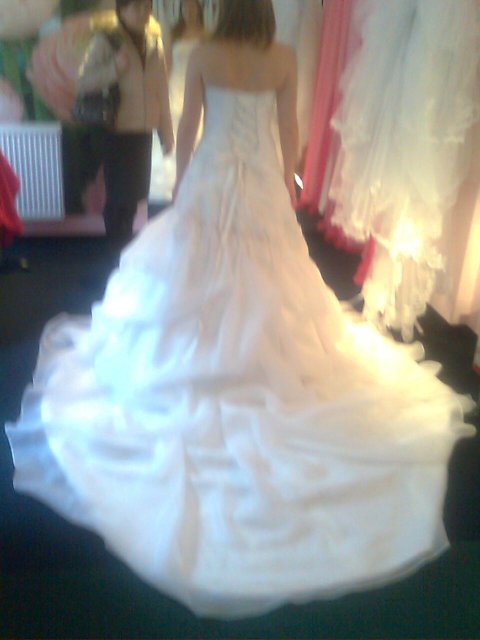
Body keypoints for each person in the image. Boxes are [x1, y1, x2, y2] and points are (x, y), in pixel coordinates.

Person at [5, 0, 475, 620]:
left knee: (196, 269)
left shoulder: (205, 53)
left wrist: (184, 183)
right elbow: (289, 131)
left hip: (213, 173)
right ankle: (256, 359)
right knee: (267, 271)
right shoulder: (282, 57)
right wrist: (285, 185)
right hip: (258, 180)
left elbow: (190, 125)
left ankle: (205, 353)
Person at [76, 0, 174, 252]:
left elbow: (162, 91)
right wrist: (114, 68)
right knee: (118, 198)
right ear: (122, 10)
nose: (144, 12)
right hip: (117, 129)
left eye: (147, 7)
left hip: (143, 130)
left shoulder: (154, 42)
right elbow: (83, 82)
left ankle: (125, 247)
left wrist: (166, 132)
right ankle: (115, 249)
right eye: (137, 7)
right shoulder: (107, 40)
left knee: (134, 197)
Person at [149, 0, 206, 202]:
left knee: (197, 128)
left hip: (198, 87)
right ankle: (172, 182)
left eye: (192, 7)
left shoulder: (207, 35)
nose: (189, 11)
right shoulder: (174, 33)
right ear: (180, 10)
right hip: (176, 86)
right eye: (185, 8)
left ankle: (195, 180)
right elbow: (167, 64)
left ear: (199, 10)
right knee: (174, 126)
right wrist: (161, 92)